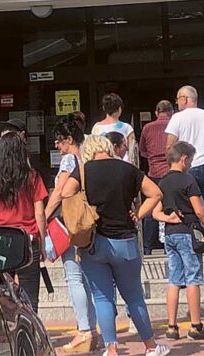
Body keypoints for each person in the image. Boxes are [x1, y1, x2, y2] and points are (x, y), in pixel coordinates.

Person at [62, 135, 170, 356]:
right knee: (134, 297)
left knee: (102, 297)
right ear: (108, 147)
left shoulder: (83, 171)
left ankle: (111, 349)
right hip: (124, 241)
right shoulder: (127, 169)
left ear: (88, 150)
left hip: (93, 243)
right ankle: (151, 346)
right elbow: (156, 193)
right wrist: (138, 214)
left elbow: (65, 192)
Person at [43, 115, 98, 352]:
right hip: (86, 223)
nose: (57, 145)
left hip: (70, 222)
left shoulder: (69, 160)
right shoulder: (88, 155)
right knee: (86, 279)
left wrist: (44, 216)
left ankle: (83, 330)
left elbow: (60, 192)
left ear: (68, 139)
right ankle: (92, 329)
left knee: (74, 277)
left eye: (58, 140)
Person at [152, 141, 204, 341]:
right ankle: (196, 326)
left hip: (170, 234)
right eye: (191, 160)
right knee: (193, 278)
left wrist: (169, 218)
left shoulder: (162, 182)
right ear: (184, 159)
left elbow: (155, 212)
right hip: (188, 232)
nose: (191, 164)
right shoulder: (188, 180)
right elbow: (199, 210)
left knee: (174, 280)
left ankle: (172, 327)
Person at [0, 132, 47, 313]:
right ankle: (30, 327)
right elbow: (40, 213)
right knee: (30, 295)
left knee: (4, 293)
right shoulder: (32, 177)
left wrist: (3, 213)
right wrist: (42, 242)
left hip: (2, 238)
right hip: (27, 238)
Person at [165, 86, 204, 215]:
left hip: (187, 166)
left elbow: (170, 145)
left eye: (177, 99)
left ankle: (194, 227)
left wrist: (172, 166)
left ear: (184, 99)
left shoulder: (177, 117)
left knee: (187, 206)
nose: (177, 103)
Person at [140, 100, 173, 255]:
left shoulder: (147, 128)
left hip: (153, 172)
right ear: (171, 112)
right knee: (170, 208)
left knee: (151, 208)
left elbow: (142, 151)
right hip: (170, 171)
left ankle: (147, 246)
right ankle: (168, 246)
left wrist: (152, 158)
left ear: (156, 112)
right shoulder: (174, 125)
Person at [91, 93, 136, 164]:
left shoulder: (96, 127)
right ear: (119, 109)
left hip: (101, 163)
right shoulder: (127, 127)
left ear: (103, 108)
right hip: (123, 164)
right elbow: (132, 151)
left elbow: (92, 148)